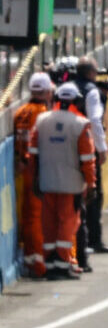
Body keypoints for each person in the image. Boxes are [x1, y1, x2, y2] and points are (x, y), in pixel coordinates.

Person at [28, 85, 97, 279]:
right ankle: (63, 262)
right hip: (71, 184)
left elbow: (32, 153)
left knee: (48, 224)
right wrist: (91, 184)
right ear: (76, 101)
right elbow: (87, 158)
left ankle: (50, 263)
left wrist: (35, 179)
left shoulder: (41, 121)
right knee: (67, 224)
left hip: (47, 182)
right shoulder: (81, 124)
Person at [13, 73, 56, 278]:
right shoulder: (43, 115)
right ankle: (40, 264)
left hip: (23, 169)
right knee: (39, 218)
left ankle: (31, 259)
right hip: (38, 169)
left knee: (29, 218)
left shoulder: (21, 112)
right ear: (47, 92)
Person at [72, 58, 108, 261]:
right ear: (90, 73)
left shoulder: (66, 87)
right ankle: (94, 240)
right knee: (94, 192)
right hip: (86, 145)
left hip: (66, 147)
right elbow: (95, 120)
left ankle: (78, 240)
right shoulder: (92, 91)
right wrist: (102, 148)